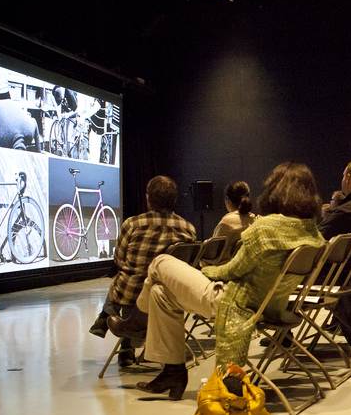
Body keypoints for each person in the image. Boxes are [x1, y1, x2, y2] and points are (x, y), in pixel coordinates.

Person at [109, 162, 325, 400]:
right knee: (160, 293)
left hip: (235, 302)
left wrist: (207, 271)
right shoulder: (312, 232)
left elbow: (232, 270)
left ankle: (136, 324)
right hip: (270, 304)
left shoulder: (266, 229)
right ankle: (173, 372)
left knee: (160, 263)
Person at [88, 176, 196, 366]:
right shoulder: (188, 229)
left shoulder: (132, 224)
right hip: (170, 295)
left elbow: (119, 260)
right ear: (174, 200)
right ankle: (125, 340)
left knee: (124, 281)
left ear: (148, 199)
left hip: (132, 296)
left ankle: (119, 337)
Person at [212, 180, 256, 262]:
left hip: (222, 270)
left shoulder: (227, 222)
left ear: (228, 201)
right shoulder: (254, 220)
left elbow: (213, 254)